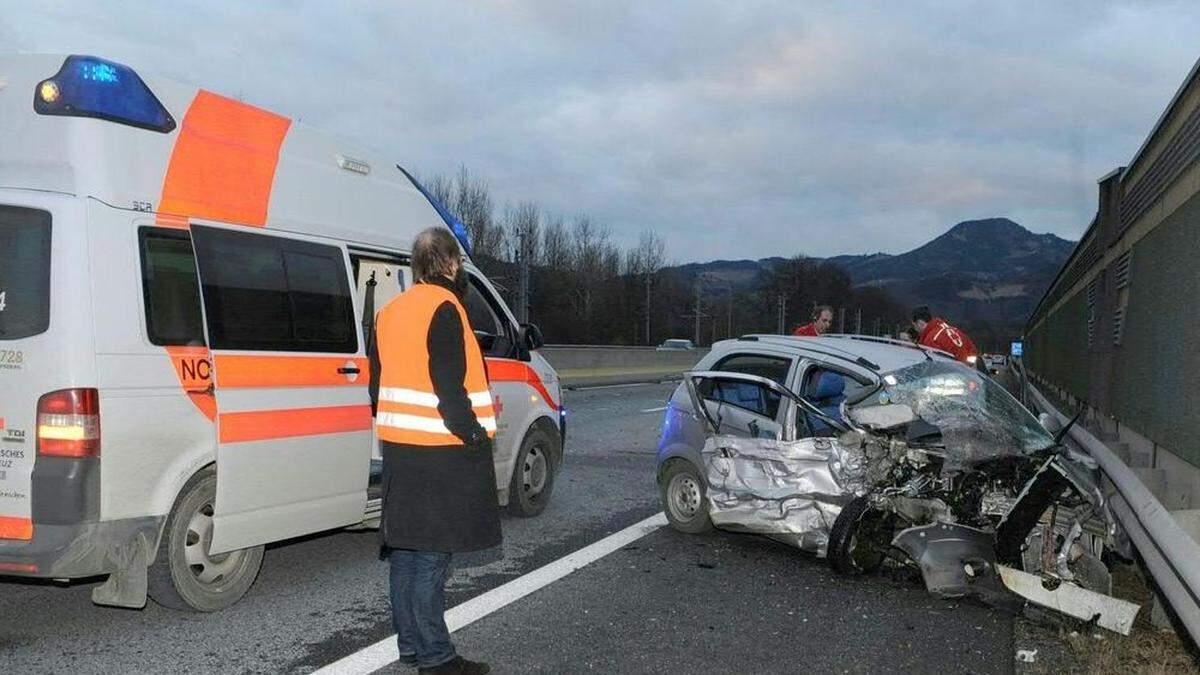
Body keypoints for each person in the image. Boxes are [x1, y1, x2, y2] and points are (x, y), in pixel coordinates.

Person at [369, 227, 500, 675]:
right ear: (451, 264)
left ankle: (410, 646)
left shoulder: (390, 312)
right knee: (431, 557)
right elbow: (450, 388)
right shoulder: (446, 308)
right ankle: (437, 658)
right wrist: (475, 436)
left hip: (401, 450)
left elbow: (376, 385)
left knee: (405, 551)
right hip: (441, 451)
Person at [911, 305, 980, 366]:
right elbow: (973, 351)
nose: (915, 329)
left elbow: (933, 366)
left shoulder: (932, 339)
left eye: (914, 325)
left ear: (919, 322)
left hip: (952, 376)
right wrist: (969, 366)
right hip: (968, 374)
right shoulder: (953, 330)